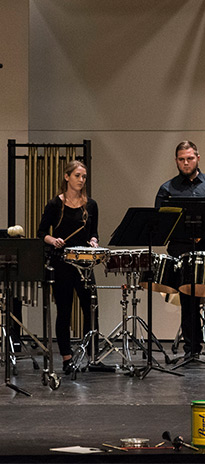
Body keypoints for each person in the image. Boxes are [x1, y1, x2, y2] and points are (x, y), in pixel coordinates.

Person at [155, 141, 205, 359]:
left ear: (198, 158)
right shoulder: (167, 189)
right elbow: (160, 221)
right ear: (176, 161)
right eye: (181, 159)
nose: (185, 162)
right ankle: (192, 349)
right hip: (182, 249)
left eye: (189, 158)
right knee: (188, 299)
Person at [37, 160, 100, 374]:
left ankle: (90, 356)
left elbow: (94, 232)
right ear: (67, 177)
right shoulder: (55, 204)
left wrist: (93, 241)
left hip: (84, 263)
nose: (82, 180)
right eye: (77, 176)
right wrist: (53, 240)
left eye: (84, 177)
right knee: (64, 311)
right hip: (62, 262)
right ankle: (67, 358)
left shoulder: (90, 205)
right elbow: (41, 232)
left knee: (91, 310)